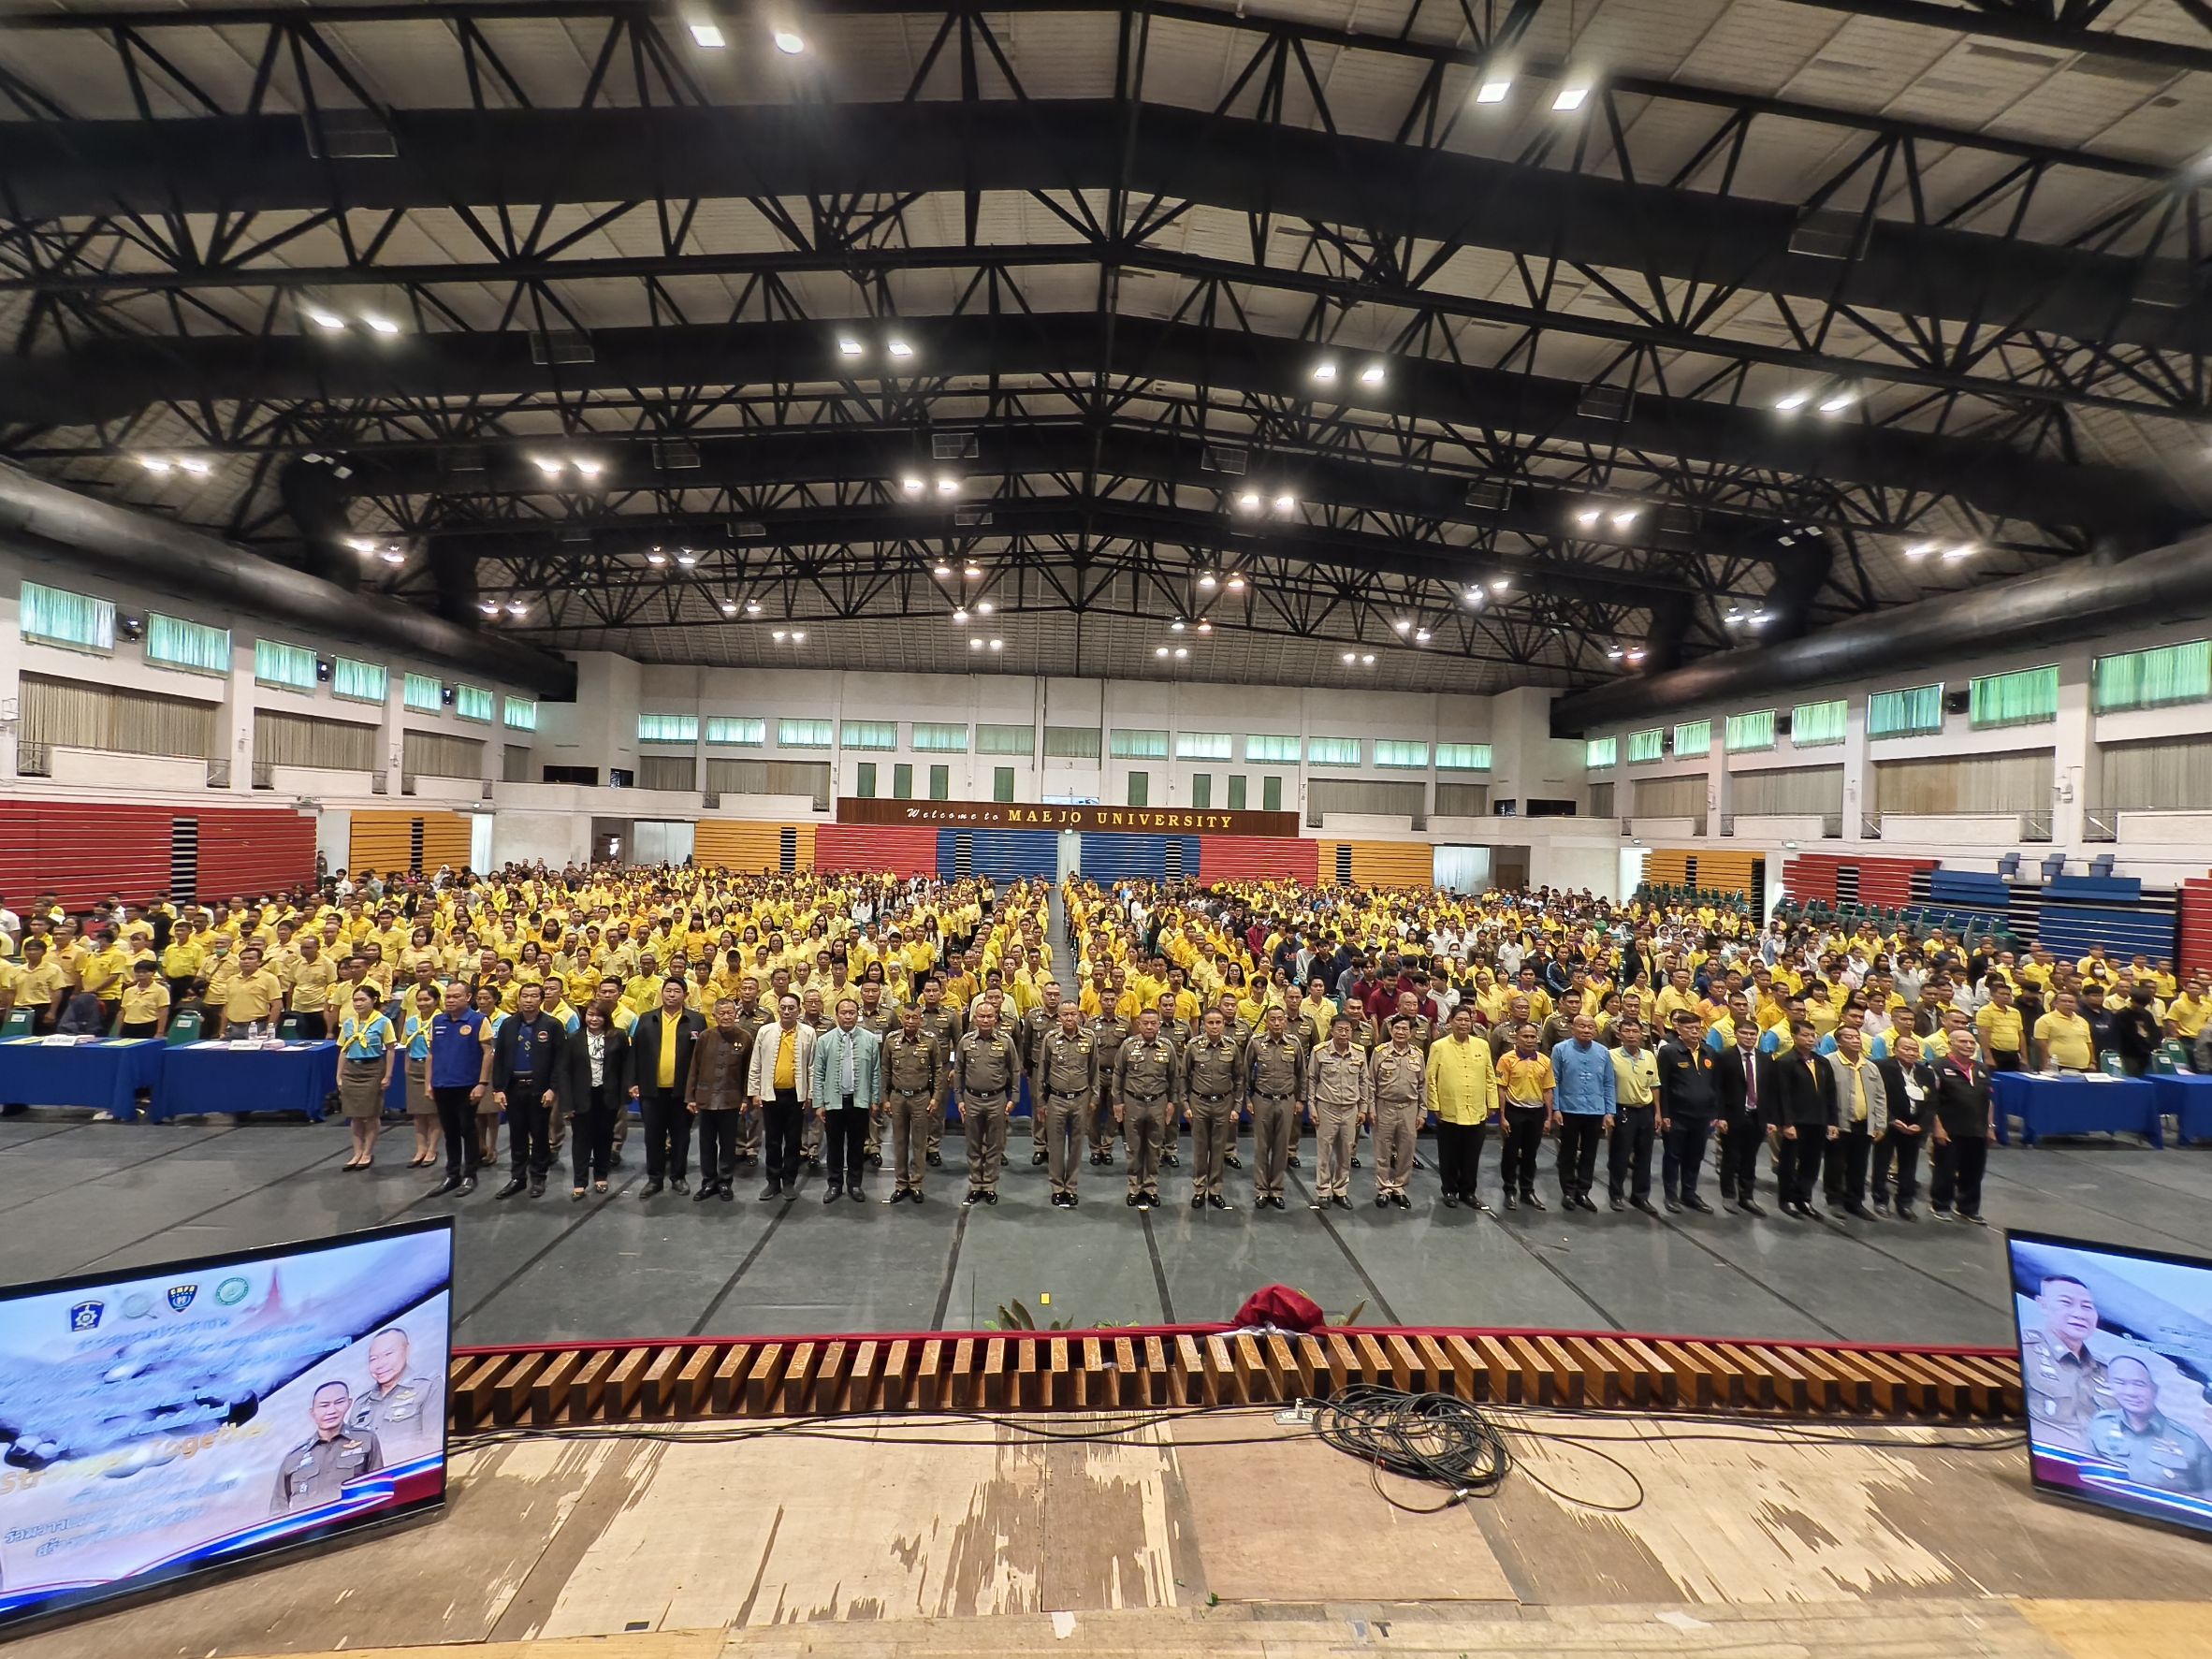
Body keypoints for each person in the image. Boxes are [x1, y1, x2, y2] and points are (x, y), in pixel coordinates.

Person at [2088, 1354, 2212, 1495]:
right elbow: (2089, 1476)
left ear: (2154, 1389)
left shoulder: (2189, 1442)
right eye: (2120, 1383)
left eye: (2139, 1384)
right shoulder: (2100, 1425)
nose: (2131, 1393)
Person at [490, 981, 566, 1200]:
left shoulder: (552, 1025)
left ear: (541, 999)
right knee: (517, 1134)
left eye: (534, 996)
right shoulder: (509, 1024)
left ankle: (538, 1177)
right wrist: (498, 1088)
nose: (529, 1000)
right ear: (519, 999)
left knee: (540, 1135)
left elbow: (560, 1061)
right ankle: (517, 1177)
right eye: (525, 996)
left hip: (540, 1089)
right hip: (514, 1088)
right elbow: (500, 1058)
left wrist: (553, 1088)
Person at [2022, 1271, 2112, 1453]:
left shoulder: (2108, 1370)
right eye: (2066, 1303)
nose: (2080, 1314)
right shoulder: (2025, 1352)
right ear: (2043, 1305)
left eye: (2087, 1306)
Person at [632, 979, 706, 1197]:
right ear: (661, 993)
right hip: (651, 1091)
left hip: (682, 1092)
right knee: (653, 1137)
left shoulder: (696, 1020)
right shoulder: (646, 1019)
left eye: (676, 991)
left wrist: (697, 1089)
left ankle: (678, 1177)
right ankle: (654, 1179)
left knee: (681, 1136)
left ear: (685, 995)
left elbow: (701, 1057)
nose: (671, 995)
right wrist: (632, 1082)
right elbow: (635, 1053)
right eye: (668, 991)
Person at [270, 1380, 383, 1515]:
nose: (331, 1411)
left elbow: (379, 1489)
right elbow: (278, 1509)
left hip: (355, 1521)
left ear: (349, 1403)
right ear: (313, 1412)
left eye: (339, 1402)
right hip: (311, 1527)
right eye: (324, 1406)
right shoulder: (294, 1458)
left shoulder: (366, 1440)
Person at [1425, 1002, 1496, 1213]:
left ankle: (1468, 1192)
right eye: (1459, 1019)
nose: (1464, 1023)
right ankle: (1449, 1190)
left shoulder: (1482, 1045)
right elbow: (1431, 1078)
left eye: (1467, 1020)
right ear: (1450, 1022)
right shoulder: (1439, 1046)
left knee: (1472, 1155)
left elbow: (1490, 1076)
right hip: (1449, 1109)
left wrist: (1492, 1103)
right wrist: (1434, 1105)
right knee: (1449, 1154)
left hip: (1476, 1109)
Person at [745, 992, 815, 1201]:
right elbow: (755, 1063)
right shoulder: (765, 1031)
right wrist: (754, 1092)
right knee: (772, 1141)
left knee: (793, 1141)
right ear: (778, 1009)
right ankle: (773, 1181)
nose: (786, 1011)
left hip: (796, 1096)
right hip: (770, 1095)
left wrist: (810, 1094)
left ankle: (789, 1182)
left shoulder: (808, 1033)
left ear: (799, 1010)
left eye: (791, 1008)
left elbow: (812, 1066)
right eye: (783, 1007)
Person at [951, 1000, 1022, 1207]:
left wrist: (1014, 1098)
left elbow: (1015, 1070)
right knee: (973, 1144)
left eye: (989, 1016)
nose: (985, 1020)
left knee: (994, 1145)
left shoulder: (1006, 1041)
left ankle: (989, 1185)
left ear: (995, 1018)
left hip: (996, 1099)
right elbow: (959, 1072)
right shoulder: (965, 1042)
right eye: (981, 1016)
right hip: (972, 1099)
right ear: (974, 1018)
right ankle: (976, 1185)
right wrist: (959, 1099)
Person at [810, 995, 880, 1204]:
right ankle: (834, 1184)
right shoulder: (824, 1041)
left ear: (857, 1015)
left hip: (859, 1101)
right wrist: (819, 1103)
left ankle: (855, 1184)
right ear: (836, 1015)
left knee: (857, 1146)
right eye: (844, 1013)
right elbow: (818, 1073)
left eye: (852, 1013)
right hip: (834, 1101)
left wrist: (874, 1099)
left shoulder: (870, 1039)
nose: (848, 1017)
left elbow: (875, 1072)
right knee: (834, 1145)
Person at [560, 1001, 631, 1198]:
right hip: (581, 1096)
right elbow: (564, 1072)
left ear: (606, 1018)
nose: (594, 1019)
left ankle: (601, 1176)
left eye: (598, 1015)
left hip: (607, 1095)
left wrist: (623, 1094)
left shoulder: (618, 1036)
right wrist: (567, 1103)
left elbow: (626, 1066)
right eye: (590, 1015)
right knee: (581, 1140)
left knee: (604, 1137)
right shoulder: (573, 1039)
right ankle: (579, 1182)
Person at [1035, 1003, 1099, 1209]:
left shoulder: (1089, 1038)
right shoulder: (1050, 1039)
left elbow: (1094, 1070)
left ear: (1079, 1016)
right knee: (1055, 1146)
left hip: (1081, 1098)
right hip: (1056, 1099)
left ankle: (1071, 1187)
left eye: (1073, 1014)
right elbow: (1042, 1072)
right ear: (1059, 1017)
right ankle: (1057, 1187)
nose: (1069, 1018)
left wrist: (1094, 1098)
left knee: (1076, 1145)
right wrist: (1041, 1102)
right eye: (1065, 1015)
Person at [687, 997, 752, 1202]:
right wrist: (690, 1097)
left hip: (731, 1100)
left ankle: (725, 1181)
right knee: (706, 1144)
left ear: (736, 1014)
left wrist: (745, 1098)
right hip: (706, 1099)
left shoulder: (745, 1037)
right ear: (714, 1016)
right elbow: (694, 1067)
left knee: (728, 1144)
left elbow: (748, 1072)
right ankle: (708, 1182)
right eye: (722, 1013)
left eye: (730, 1012)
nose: (726, 1016)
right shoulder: (705, 1037)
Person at [428, 981, 489, 1195]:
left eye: (456, 996)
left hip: (467, 1085)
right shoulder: (437, 1020)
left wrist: (482, 1083)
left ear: (468, 998)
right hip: (442, 1084)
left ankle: (470, 1174)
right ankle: (452, 1174)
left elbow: (488, 1053)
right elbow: (431, 1054)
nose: (451, 1000)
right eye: (448, 996)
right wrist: (429, 1083)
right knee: (450, 1131)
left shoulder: (478, 1020)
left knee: (467, 1129)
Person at [1114, 1008, 1179, 1210]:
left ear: (1159, 1025)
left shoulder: (1167, 1047)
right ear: (1139, 1025)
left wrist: (1172, 1103)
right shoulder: (1128, 1045)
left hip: (1158, 1102)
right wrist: (1117, 1102)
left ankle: (1150, 1187)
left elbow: (1174, 1077)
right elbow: (1118, 1074)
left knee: (1154, 1148)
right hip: (1133, 1102)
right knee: (1134, 1148)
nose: (1150, 1027)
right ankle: (1134, 1187)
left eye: (1153, 1023)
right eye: (1145, 1023)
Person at [1773, 1019, 1839, 1220]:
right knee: (1789, 1162)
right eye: (1805, 1035)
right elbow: (1782, 1095)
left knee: (1812, 1163)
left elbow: (1830, 1093)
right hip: (1796, 1121)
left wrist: (1832, 1121)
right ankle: (1787, 1199)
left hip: (1818, 1120)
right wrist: (1787, 1123)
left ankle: (1804, 1199)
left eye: (1813, 1036)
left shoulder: (1822, 1062)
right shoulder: (1785, 1062)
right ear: (1794, 1037)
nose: (1810, 1039)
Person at [1181, 1007, 1245, 1212]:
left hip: (1224, 1103)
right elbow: (1183, 1077)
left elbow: (1239, 1079)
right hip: (1199, 1103)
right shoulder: (1193, 1046)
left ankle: (1215, 1190)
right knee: (1200, 1149)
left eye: (1218, 1022)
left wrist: (1237, 1107)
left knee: (1218, 1149)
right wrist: (1185, 1105)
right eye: (1211, 1023)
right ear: (1203, 1025)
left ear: (1224, 1024)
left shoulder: (1232, 1047)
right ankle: (1199, 1189)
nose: (1215, 1026)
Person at [1928, 1026, 1993, 1224]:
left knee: (1974, 1170)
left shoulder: (1981, 1068)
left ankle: (1968, 1208)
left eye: (1972, 1042)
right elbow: (1931, 1101)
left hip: (1977, 1128)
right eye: (1963, 1042)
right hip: (1950, 1128)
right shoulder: (1937, 1067)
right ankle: (1941, 1205)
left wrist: (1990, 1127)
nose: (1968, 1045)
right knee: (1945, 1170)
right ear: (1950, 1044)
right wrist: (1938, 1127)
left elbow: (1989, 1100)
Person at [1550, 1012, 1614, 1213]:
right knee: (1567, 1153)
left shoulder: (1603, 1052)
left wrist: (1609, 1111)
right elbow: (1554, 1081)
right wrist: (1556, 1108)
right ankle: (1568, 1191)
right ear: (1573, 1029)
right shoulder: (1560, 1049)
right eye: (1582, 1026)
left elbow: (1609, 1082)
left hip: (1595, 1110)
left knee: (1590, 1153)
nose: (1586, 1030)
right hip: (1568, 1109)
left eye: (1590, 1027)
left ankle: (1583, 1191)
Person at [1825, 1020, 1888, 1220]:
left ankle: (1855, 1202)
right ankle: (1834, 1200)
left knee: (1859, 1166)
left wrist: (1880, 1124)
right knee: (1835, 1164)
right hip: (1839, 1123)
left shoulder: (1870, 1066)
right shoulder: (1828, 1063)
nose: (1855, 1040)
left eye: (1857, 1037)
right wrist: (1828, 1122)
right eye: (1849, 1037)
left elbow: (1880, 1097)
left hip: (1864, 1124)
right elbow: (1822, 1095)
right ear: (1838, 1042)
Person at [1653, 1011, 1716, 1214]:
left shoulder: (1709, 1052)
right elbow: (1662, 1085)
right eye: (1689, 1028)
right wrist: (1664, 1114)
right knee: (1673, 1156)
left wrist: (1715, 1113)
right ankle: (1671, 1195)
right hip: (1677, 1115)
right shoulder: (1669, 1052)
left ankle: (1689, 1193)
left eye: (1697, 1028)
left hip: (1702, 1116)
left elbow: (1715, 1085)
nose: (1694, 1032)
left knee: (1695, 1156)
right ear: (1679, 1029)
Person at [882, 1003, 946, 1204]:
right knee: (899, 1142)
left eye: (915, 1018)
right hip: (898, 1097)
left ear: (921, 1019)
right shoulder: (891, 1040)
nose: (910, 1021)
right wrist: (884, 1099)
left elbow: (938, 1071)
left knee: (919, 1143)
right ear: (901, 1018)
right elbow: (885, 1071)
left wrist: (936, 1097)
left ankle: (916, 1184)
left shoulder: (930, 1041)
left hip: (921, 1098)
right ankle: (901, 1184)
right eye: (907, 1017)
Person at [1304, 1013, 1368, 1213]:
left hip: (1350, 1108)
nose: (1343, 1033)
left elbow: (1364, 1081)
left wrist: (1363, 1108)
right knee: (1324, 1152)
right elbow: (1312, 1079)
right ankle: (1324, 1191)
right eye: (1339, 1029)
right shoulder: (1320, 1051)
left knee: (1346, 1153)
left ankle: (1340, 1190)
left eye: (1347, 1030)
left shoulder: (1359, 1052)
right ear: (1331, 1031)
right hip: (1326, 1108)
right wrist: (1311, 1107)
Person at [348, 1329, 438, 1463]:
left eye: (388, 1354)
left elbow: (435, 1443)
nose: (380, 1364)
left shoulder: (428, 1386)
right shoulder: (361, 1403)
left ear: (406, 1350)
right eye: (373, 1359)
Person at [1711, 1013, 1769, 1215]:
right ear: (1736, 1034)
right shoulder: (1724, 1056)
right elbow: (1717, 1088)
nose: (1749, 1037)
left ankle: (1747, 1196)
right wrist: (1720, 1116)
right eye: (1744, 1033)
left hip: (1757, 1115)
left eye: (1753, 1034)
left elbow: (1769, 1090)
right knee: (1731, 1156)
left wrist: (1770, 1118)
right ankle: (1728, 1195)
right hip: (1733, 1114)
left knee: (1750, 1158)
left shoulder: (1764, 1058)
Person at [336, 984, 397, 1172]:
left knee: (371, 1114)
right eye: (355, 1000)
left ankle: (368, 1152)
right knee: (354, 1114)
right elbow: (343, 1050)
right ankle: (357, 1152)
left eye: (363, 999)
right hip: (352, 1069)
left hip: (373, 1069)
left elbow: (391, 1049)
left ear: (374, 1000)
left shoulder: (383, 1022)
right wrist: (339, 1075)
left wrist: (388, 1075)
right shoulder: (349, 1023)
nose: (358, 1004)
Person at [1495, 1021, 1555, 1213]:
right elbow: (1501, 1088)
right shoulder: (1506, 1059)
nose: (1529, 1040)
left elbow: (1548, 1090)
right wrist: (1502, 1117)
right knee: (1510, 1153)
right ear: (1516, 1038)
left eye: (1532, 1036)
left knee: (1531, 1154)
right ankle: (1509, 1190)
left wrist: (1548, 1117)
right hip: (1514, 1111)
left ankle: (1527, 1191)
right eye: (1525, 1036)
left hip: (1536, 1112)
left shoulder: (1545, 1061)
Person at [1871, 1031, 1932, 1220]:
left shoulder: (1926, 1072)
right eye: (1906, 1048)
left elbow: (1932, 1103)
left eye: (1914, 1049)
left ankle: (1905, 1203)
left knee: (1909, 1166)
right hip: (1889, 1123)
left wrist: (1921, 1125)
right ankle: (1880, 1200)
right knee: (1881, 1164)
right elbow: (1875, 1096)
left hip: (1914, 1126)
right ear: (1895, 1050)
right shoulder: (1881, 1067)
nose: (1911, 1052)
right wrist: (1890, 1119)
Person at [1368, 1014, 1425, 1211]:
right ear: (1391, 1030)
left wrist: (1422, 1112)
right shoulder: (1380, 1052)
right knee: (1382, 1150)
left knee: (1406, 1150)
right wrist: (1371, 1108)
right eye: (1397, 1028)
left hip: (1409, 1107)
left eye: (1405, 1029)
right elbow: (1370, 1083)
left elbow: (1422, 1085)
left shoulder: (1418, 1055)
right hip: (1385, 1106)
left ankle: (1399, 1187)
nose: (1400, 1032)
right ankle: (1383, 1188)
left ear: (1411, 1032)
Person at [400, 984, 439, 1169]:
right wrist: (407, 1068)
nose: (423, 1003)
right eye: (420, 1000)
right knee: (418, 1112)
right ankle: (420, 1148)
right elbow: (407, 1046)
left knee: (433, 1112)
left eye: (427, 999)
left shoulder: (441, 1020)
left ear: (436, 1001)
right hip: (415, 1066)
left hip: (435, 1067)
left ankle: (432, 1148)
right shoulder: (411, 1022)